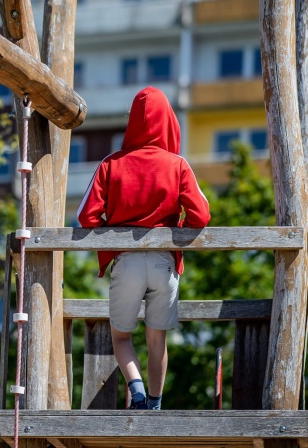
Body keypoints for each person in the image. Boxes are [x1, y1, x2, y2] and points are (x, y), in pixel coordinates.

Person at [77, 86, 210, 410]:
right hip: (164, 264)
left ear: (133, 122)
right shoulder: (177, 164)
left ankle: (135, 390)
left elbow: (86, 217)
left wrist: (117, 223)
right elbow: (201, 215)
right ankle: (154, 404)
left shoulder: (112, 164)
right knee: (157, 341)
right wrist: (173, 227)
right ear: (168, 121)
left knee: (121, 337)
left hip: (126, 264)